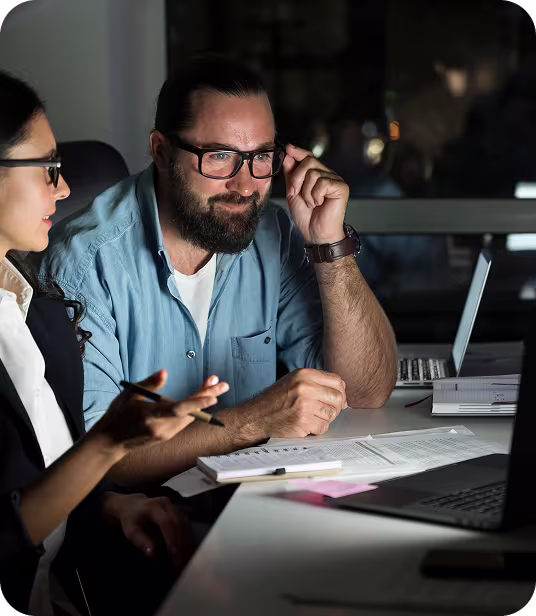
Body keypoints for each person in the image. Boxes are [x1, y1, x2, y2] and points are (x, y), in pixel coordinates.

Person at [40, 56, 397, 486]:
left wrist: (330, 245)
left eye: (260, 157)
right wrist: (254, 421)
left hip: (255, 502)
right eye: (220, 156)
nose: (245, 185)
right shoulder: (83, 262)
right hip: (149, 525)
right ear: (160, 150)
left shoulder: (273, 237)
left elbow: (364, 391)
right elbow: (96, 458)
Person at [0, 70, 229, 615]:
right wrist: (109, 443)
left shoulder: (35, 311)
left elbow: (43, 483)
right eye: (48, 168)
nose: (63, 187)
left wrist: (109, 508)